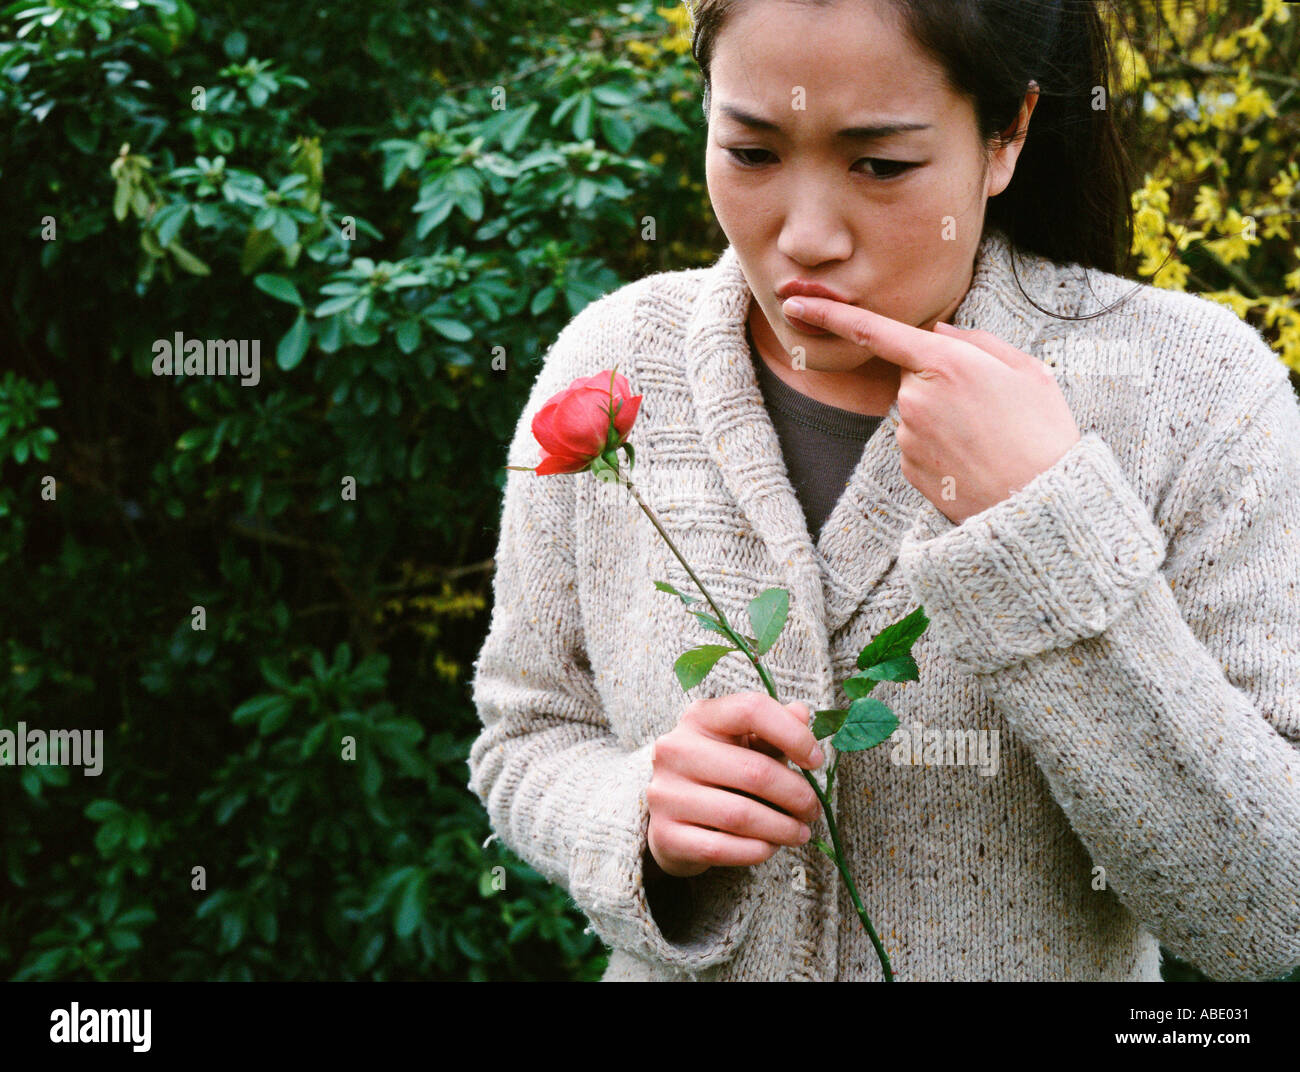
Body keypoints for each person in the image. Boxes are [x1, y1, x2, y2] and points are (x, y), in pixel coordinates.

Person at [467, 0, 1300, 981]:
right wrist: (634, 812)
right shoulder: (611, 364)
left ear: (1007, 135)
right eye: (750, 151)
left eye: (881, 165)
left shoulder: (1192, 392)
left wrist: (1044, 526)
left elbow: (1265, 918)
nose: (806, 237)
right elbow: (526, 731)